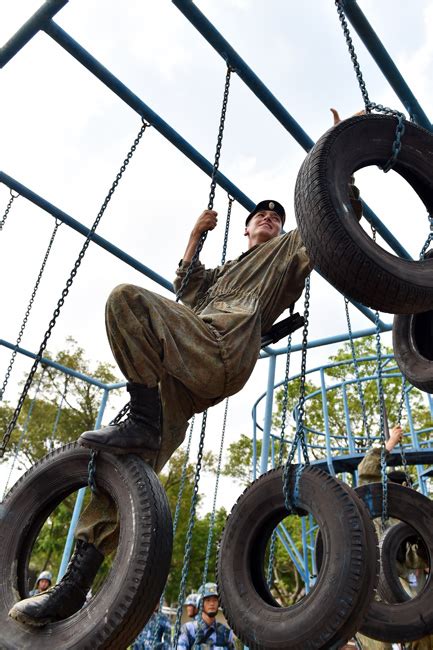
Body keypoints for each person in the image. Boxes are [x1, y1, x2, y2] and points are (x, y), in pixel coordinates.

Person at [9, 109, 362, 628]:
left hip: (227, 345)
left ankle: (143, 418)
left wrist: (340, 149)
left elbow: (333, 221)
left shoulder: (288, 252)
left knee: (126, 300)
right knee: (120, 472)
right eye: (259, 215)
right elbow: (185, 288)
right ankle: (71, 588)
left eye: (275, 215)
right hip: (181, 375)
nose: (267, 217)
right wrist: (196, 235)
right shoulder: (218, 275)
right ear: (244, 228)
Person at [356, 425, 433, 650]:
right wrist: (389, 444)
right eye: (405, 490)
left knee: (424, 634)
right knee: (379, 647)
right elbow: (366, 473)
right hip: (372, 592)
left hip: (403, 589)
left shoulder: (413, 522)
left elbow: (414, 559)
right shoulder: (377, 507)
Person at [177, 583, 234, 649]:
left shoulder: (226, 633)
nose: (212, 603)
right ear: (200, 603)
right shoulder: (188, 629)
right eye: (208, 600)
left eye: (215, 600)